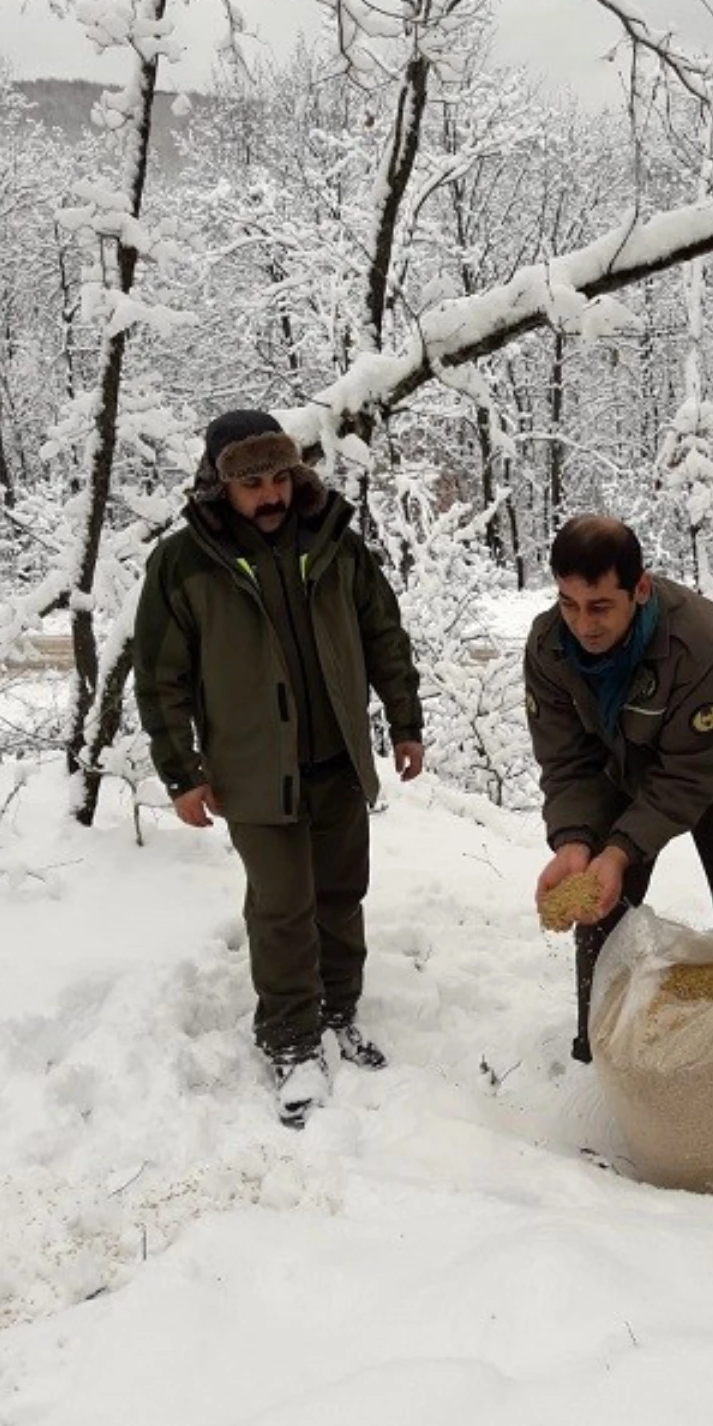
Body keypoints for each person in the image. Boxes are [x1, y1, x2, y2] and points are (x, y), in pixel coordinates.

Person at [134, 408, 424, 1127]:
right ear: (220, 486)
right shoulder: (185, 563)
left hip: (336, 761)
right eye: (251, 483)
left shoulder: (332, 541)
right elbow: (160, 676)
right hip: (253, 769)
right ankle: (291, 1040)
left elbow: (384, 633)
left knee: (340, 893)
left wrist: (405, 720)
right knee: (282, 907)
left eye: (278, 477)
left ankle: (336, 1011)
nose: (270, 495)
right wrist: (182, 772)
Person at [525, 514, 713, 1062]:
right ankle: (596, 1048)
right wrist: (577, 843)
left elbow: (690, 775)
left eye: (600, 607)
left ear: (639, 589)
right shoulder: (549, 647)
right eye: (568, 604)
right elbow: (566, 760)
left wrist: (622, 849)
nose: (583, 625)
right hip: (621, 766)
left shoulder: (697, 641)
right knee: (600, 904)